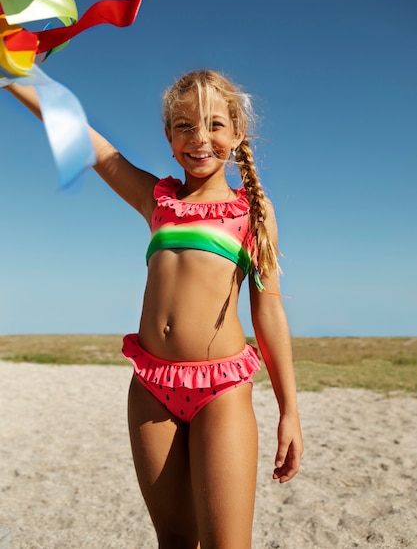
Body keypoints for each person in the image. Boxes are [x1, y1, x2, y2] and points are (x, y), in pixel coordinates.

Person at [4, 70, 303, 549]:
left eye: (214, 125)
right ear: (167, 136)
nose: (199, 138)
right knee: (175, 540)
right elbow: (90, 143)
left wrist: (289, 410)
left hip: (221, 391)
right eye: (183, 126)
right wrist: (19, 74)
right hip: (151, 388)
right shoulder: (157, 199)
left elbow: (268, 313)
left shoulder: (253, 212)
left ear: (238, 133)